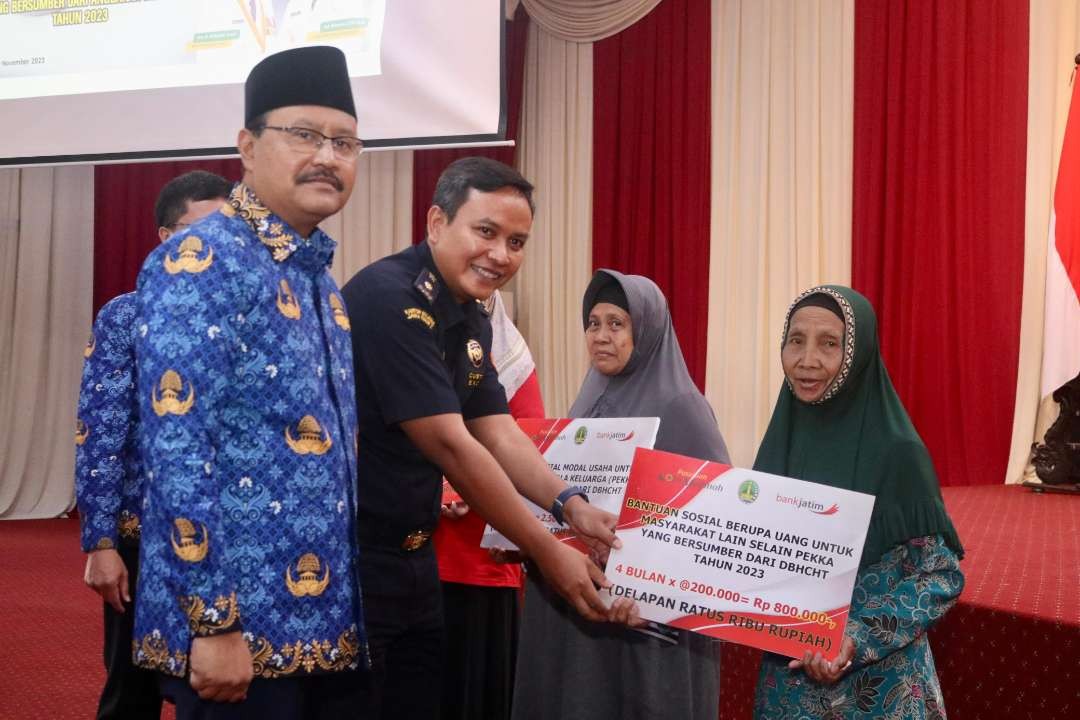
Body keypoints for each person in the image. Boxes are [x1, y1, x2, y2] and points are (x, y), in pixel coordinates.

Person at [131, 46, 368, 718]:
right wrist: (213, 622)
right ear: (247, 145)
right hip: (237, 634)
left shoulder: (317, 277)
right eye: (304, 135)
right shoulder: (199, 261)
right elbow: (177, 451)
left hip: (322, 630)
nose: (327, 155)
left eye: (344, 142)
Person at [341, 156, 622, 720]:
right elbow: (451, 445)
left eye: (516, 242)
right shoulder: (390, 297)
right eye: (486, 232)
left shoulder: (470, 314)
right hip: (352, 566)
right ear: (437, 222)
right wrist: (547, 553)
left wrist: (572, 506)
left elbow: (498, 431)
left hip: (414, 563)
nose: (501, 254)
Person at [512, 269, 729, 720]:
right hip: (578, 604)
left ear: (646, 329)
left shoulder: (681, 405)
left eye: (617, 323)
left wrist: (638, 565)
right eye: (593, 323)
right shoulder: (590, 395)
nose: (601, 336)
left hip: (643, 625)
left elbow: (713, 521)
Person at [752, 285, 964, 719]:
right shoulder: (782, 440)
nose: (807, 360)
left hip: (876, 691)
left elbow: (940, 575)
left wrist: (855, 637)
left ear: (857, 353)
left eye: (829, 344)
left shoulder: (897, 450)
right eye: (796, 340)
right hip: (788, 689)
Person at [76, 170, 231, 720]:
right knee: (132, 692)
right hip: (145, 540)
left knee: (224, 690)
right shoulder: (126, 316)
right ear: (167, 237)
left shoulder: (251, 316)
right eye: (202, 230)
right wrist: (100, 542)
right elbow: (101, 432)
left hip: (229, 541)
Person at [436, 290, 542, 720]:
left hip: (485, 555)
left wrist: (463, 487)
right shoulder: (419, 349)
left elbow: (528, 445)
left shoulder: (513, 363)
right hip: (421, 553)